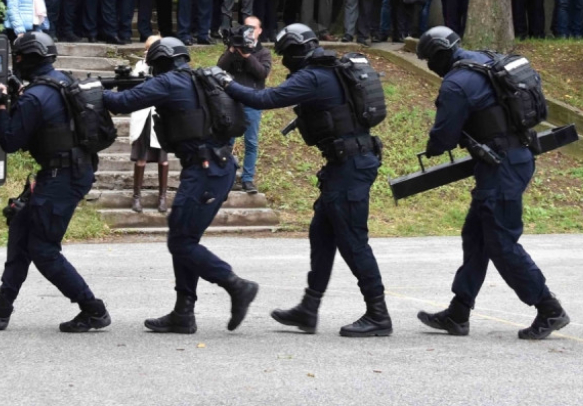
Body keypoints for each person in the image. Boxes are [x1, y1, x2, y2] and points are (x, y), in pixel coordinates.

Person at [218, 24, 392, 337]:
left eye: (285, 54)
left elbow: (266, 98)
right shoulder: (328, 70)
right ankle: (309, 309)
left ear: (296, 51)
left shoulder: (313, 76)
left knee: (353, 242)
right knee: (321, 235)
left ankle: (378, 315)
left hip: (350, 166)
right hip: (346, 164)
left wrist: (226, 82)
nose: (284, 61)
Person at [414, 27, 570, 340]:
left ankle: (548, 307)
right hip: (515, 156)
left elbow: (443, 136)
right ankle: (459, 312)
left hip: (502, 166)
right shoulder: (484, 60)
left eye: (430, 60)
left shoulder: (456, 83)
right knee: (476, 234)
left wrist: (433, 147)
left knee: (500, 240)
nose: (430, 66)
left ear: (438, 57)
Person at [102, 37, 259, 334]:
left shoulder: (169, 82)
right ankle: (183, 313)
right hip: (216, 167)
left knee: (180, 242)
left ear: (160, 63)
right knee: (185, 239)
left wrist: (90, 91)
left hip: (206, 171)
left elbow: (121, 103)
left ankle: (236, 285)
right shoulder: (198, 77)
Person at [0, 32, 110, 333]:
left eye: (18, 58)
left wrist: (3, 105)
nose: (16, 63)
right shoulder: (63, 81)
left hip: (62, 176)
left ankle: (93, 309)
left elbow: (10, 139)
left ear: (28, 59)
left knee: (43, 249)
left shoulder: (35, 96)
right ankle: (1, 308)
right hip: (69, 171)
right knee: (21, 227)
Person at [217, 18, 271, 194]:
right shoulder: (233, 49)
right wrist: (233, 49)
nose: (249, 31)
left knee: (251, 142)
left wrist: (248, 55)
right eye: (245, 27)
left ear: (260, 31)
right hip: (232, 101)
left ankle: (247, 179)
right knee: (228, 141)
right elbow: (219, 68)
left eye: (252, 28)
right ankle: (227, 176)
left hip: (253, 100)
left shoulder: (263, 52)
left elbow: (262, 73)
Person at [127, 36, 170, 213]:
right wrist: (146, 63)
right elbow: (133, 87)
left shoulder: (168, 68)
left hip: (161, 117)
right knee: (141, 159)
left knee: (163, 160)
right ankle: (136, 196)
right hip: (143, 117)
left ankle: (163, 197)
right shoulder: (140, 67)